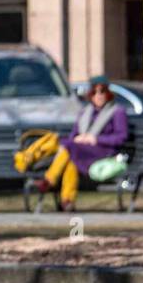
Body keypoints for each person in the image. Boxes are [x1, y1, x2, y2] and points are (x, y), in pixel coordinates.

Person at [32, 75, 128, 211]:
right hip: (82, 152)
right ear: (91, 94)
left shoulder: (117, 112)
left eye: (102, 92)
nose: (99, 96)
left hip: (104, 152)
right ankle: (67, 201)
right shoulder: (85, 112)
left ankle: (49, 180)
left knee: (69, 148)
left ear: (108, 94)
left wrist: (95, 139)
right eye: (95, 92)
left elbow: (121, 137)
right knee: (71, 160)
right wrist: (78, 139)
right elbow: (73, 136)